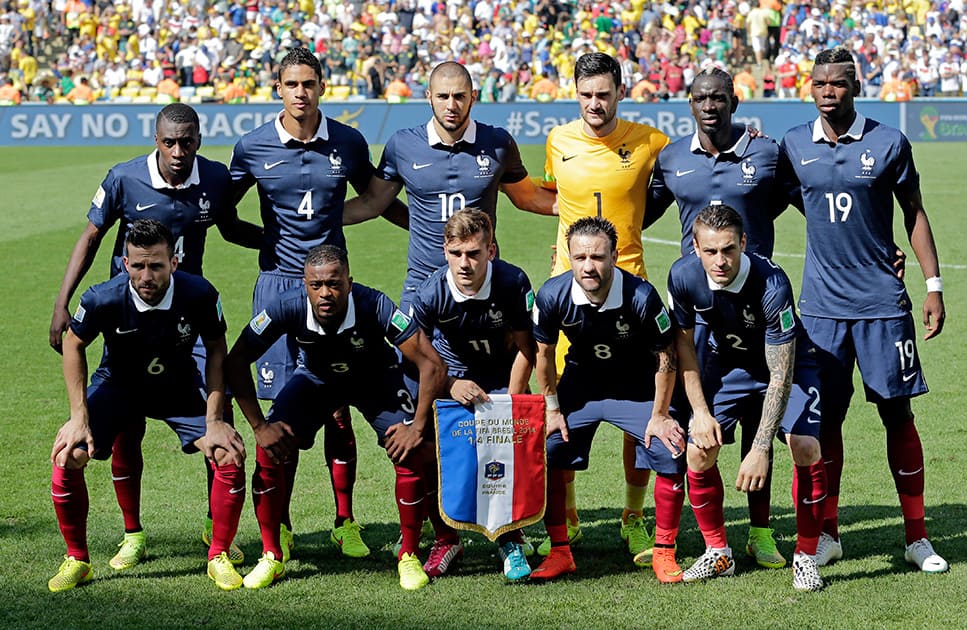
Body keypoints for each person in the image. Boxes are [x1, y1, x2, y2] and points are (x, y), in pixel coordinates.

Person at [48, 102, 261, 572]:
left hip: (190, 314)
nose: (178, 151)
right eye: (169, 142)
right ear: (156, 139)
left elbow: (231, 228)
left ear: (200, 140)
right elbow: (91, 237)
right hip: (129, 316)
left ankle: (216, 532)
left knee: (218, 420)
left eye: (187, 142)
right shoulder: (124, 178)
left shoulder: (215, 179)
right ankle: (132, 533)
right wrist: (64, 302)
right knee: (125, 428)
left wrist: (280, 240)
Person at [779, 47, 948, 574]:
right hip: (823, 310)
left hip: (882, 306)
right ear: (810, 88)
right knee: (823, 421)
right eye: (819, 84)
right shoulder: (793, 145)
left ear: (856, 85)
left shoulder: (889, 142)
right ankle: (827, 534)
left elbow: (914, 211)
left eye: (839, 84)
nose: (829, 92)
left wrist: (933, 285)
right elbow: (787, 195)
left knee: (897, 414)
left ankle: (916, 538)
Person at [230, 47, 393, 559]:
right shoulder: (253, 146)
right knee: (284, 412)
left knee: (339, 405)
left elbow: (374, 197)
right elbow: (225, 216)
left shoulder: (346, 140)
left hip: (331, 285)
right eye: (291, 84)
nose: (301, 92)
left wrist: (327, 222)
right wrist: (271, 241)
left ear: (322, 86)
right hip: (279, 288)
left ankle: (345, 520)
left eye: (309, 83)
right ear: (278, 88)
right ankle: (281, 525)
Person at [224, 244, 448, 590]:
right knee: (268, 451)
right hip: (315, 381)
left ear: (349, 282)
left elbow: (431, 363)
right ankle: (272, 555)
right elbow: (236, 361)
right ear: (305, 285)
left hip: (375, 381)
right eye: (317, 286)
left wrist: (416, 427)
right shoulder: (286, 306)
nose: (325, 293)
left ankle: (408, 554)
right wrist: (259, 426)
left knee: (413, 452)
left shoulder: (374, 304)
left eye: (334, 284)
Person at [48, 219, 247, 592]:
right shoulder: (101, 298)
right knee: (68, 453)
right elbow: (73, 344)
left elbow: (218, 348)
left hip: (179, 386)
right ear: (125, 264)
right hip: (118, 386)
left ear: (174, 262)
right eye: (138, 265)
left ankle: (218, 554)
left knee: (227, 452)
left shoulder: (199, 293)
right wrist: (79, 417)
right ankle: (77, 558)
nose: (146, 275)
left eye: (156, 265)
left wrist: (216, 418)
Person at [646, 67, 791, 570]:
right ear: (690, 103)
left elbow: (809, 198)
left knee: (759, 427)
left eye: (719, 98)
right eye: (702, 98)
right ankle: (702, 540)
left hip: (757, 306)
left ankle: (761, 532)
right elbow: (640, 213)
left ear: (734, 100)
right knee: (695, 428)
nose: (710, 106)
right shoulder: (671, 158)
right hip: (699, 315)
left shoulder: (766, 153)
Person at [539, 51, 670, 564]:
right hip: (570, 287)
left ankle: (633, 517)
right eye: (586, 94)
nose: (595, 103)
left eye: (604, 93)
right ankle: (566, 514)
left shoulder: (649, 141)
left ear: (620, 91)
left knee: (636, 406)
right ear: (576, 93)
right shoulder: (559, 141)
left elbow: (671, 187)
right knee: (568, 406)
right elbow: (551, 198)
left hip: (630, 287)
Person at [668, 205, 828, 591]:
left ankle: (806, 558)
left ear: (743, 243)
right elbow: (685, 349)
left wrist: (760, 447)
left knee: (805, 445)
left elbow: (780, 376)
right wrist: (700, 413)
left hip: (788, 367)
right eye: (710, 251)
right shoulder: (683, 275)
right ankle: (718, 552)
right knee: (698, 451)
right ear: (695, 247)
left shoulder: (772, 286)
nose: (719, 261)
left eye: (728, 250)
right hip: (730, 366)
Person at [529, 217, 686, 582]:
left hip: (636, 385)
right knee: (551, 448)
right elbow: (542, 354)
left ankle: (663, 551)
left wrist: (660, 414)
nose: (588, 266)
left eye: (598, 257)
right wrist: (552, 409)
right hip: (582, 384)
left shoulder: (642, 296)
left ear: (615, 255)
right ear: (569, 258)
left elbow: (667, 357)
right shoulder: (552, 295)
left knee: (669, 449)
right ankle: (560, 550)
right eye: (580, 257)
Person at [344, 60, 555, 314]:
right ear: (429, 97)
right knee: (413, 353)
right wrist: (316, 216)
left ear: (473, 97)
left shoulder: (498, 143)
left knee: (497, 353)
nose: (451, 105)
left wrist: (586, 202)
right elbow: (372, 202)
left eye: (459, 96)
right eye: (443, 96)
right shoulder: (402, 145)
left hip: (482, 280)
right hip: (423, 282)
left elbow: (528, 197)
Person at [410, 209, 537, 581]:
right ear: (445, 251)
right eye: (456, 253)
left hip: (501, 376)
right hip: (449, 377)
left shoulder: (513, 282)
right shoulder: (430, 291)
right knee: (425, 450)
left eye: (474, 253)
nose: (464, 264)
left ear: (491, 251)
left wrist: (508, 404)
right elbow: (416, 352)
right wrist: (450, 385)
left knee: (504, 451)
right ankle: (446, 538)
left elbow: (526, 348)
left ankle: (509, 540)